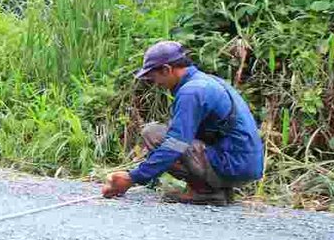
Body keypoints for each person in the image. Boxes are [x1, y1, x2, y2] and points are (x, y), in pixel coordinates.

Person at [103, 40, 264, 205]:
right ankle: (216, 190)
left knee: (153, 133)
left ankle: (206, 193)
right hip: (241, 164)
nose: (156, 84)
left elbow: (175, 144)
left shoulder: (191, 92)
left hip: (233, 165)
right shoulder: (206, 81)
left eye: (154, 78)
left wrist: (132, 178)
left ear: (167, 69)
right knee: (163, 135)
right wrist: (146, 178)